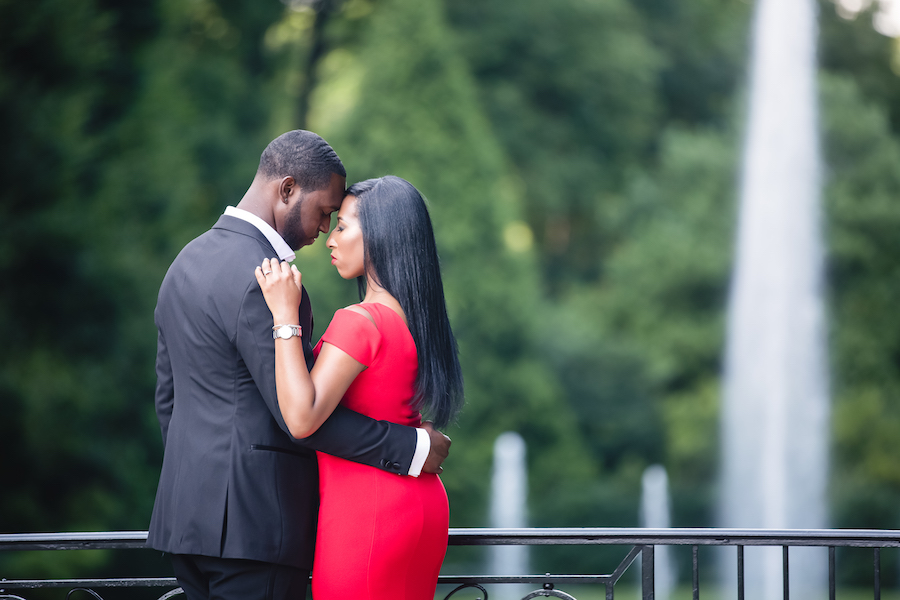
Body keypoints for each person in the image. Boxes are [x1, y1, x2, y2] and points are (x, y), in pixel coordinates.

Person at [147, 131, 451, 600]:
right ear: (288, 190)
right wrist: (410, 447)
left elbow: (168, 401)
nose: (324, 228)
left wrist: (198, 492)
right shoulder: (269, 280)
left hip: (183, 521)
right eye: (325, 211)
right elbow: (298, 416)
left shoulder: (183, 263)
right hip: (255, 528)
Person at [255, 175, 464, 600]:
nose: (331, 238)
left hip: (368, 514)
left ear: (381, 237)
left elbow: (301, 417)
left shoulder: (360, 321)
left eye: (344, 226)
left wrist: (283, 314)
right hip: (422, 506)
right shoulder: (419, 323)